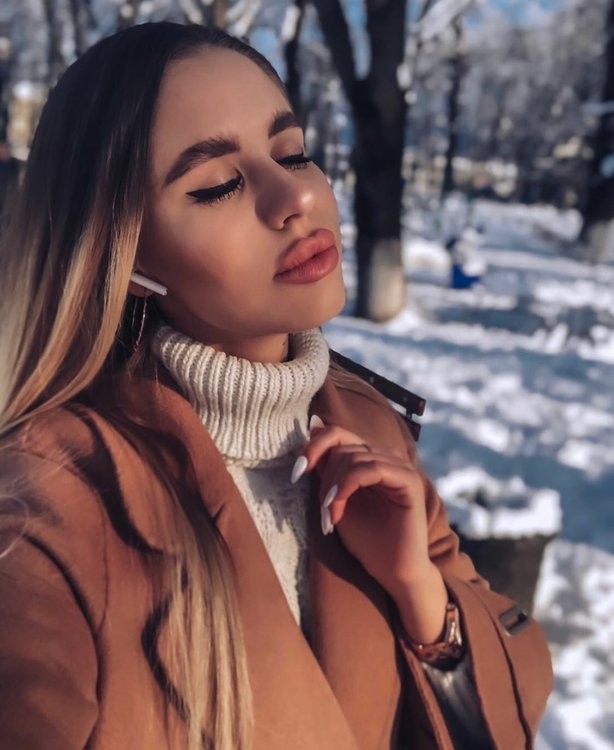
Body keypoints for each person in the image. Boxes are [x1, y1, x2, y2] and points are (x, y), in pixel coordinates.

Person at [0, 22, 551, 750]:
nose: (294, 195)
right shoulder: (50, 506)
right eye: (217, 185)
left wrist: (421, 597)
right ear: (124, 257)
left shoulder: (367, 425)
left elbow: (516, 699)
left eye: (293, 152)